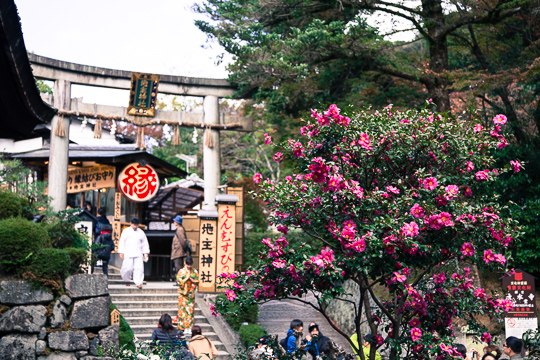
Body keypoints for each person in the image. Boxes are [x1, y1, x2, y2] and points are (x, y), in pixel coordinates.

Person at [118, 217, 149, 289]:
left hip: (138, 252)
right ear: (131, 224)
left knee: (139, 268)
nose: (135, 226)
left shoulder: (141, 232)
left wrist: (146, 252)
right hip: (128, 252)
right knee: (127, 268)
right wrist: (121, 251)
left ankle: (138, 282)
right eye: (134, 224)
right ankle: (127, 280)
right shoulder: (125, 231)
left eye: (137, 225)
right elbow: (122, 241)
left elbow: (144, 243)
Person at [177, 256, 199, 331]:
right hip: (183, 294)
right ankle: (182, 327)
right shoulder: (181, 271)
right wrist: (186, 278)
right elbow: (179, 282)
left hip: (190, 294)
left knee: (190, 311)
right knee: (182, 310)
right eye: (187, 265)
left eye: (190, 265)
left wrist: (192, 279)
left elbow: (197, 281)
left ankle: (189, 327)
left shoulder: (195, 271)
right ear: (184, 263)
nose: (189, 266)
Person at [171, 215, 189, 280]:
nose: (174, 222)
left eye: (175, 221)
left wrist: (184, 249)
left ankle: (180, 281)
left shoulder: (180, 229)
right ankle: (179, 280)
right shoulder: (179, 229)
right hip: (178, 251)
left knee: (178, 267)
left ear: (177, 222)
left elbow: (183, 240)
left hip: (178, 251)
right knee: (178, 266)